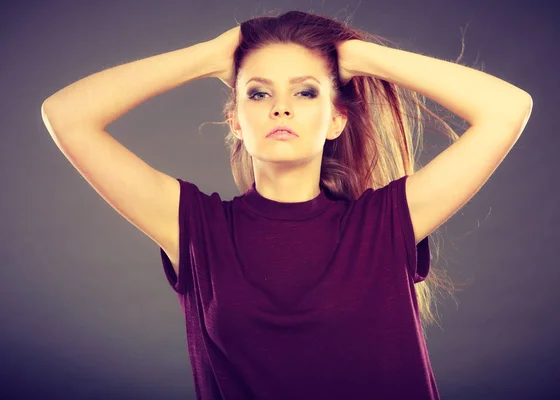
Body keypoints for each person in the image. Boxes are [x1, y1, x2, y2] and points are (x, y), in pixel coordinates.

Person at [41, 10, 532, 400]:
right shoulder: (195, 227)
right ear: (235, 120)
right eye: (258, 93)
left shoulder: (386, 222)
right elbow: (66, 116)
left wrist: (359, 58)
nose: (281, 107)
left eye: (305, 91)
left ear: (337, 119)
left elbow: (507, 109)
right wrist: (211, 56)